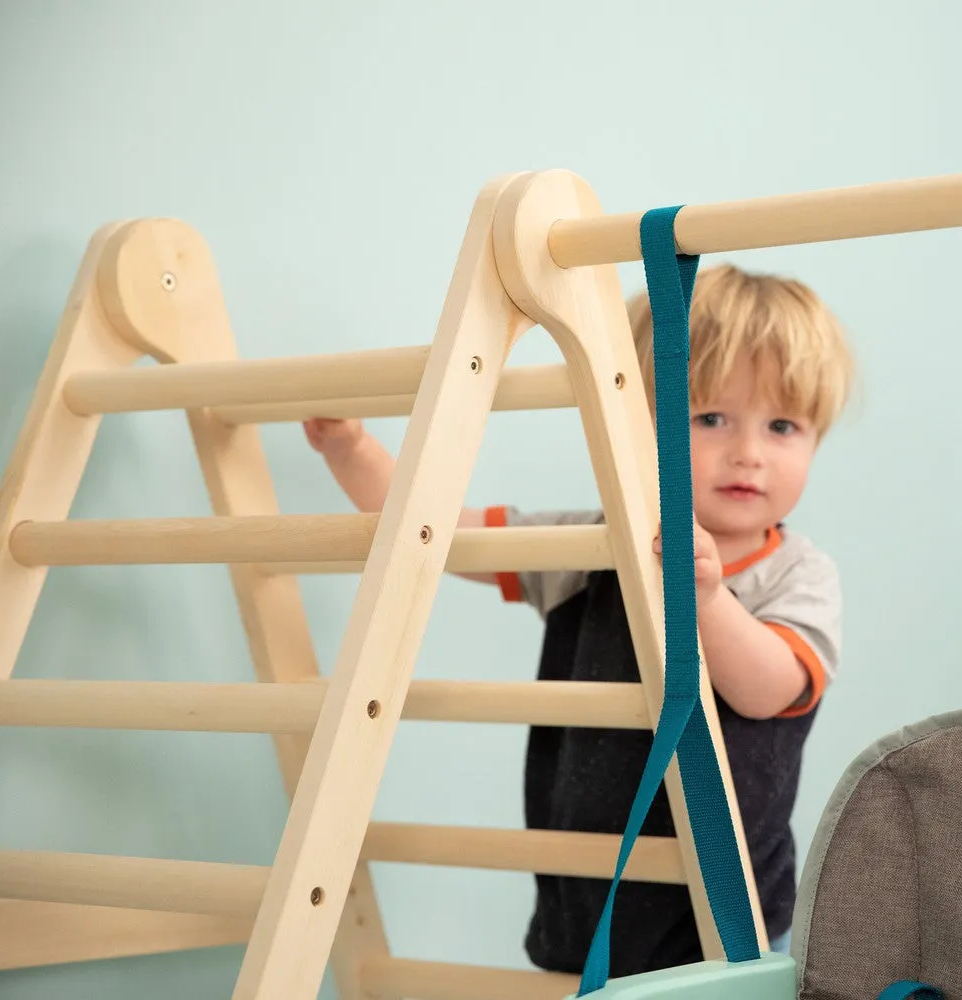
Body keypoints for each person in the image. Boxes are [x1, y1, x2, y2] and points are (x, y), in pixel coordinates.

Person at [303, 263, 855, 976]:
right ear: (638, 425)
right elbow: (442, 534)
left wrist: (709, 601)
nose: (748, 451)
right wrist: (352, 450)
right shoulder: (592, 543)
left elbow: (770, 688)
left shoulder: (798, 575)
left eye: (782, 425)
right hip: (587, 902)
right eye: (710, 417)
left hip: (723, 919)